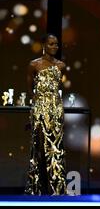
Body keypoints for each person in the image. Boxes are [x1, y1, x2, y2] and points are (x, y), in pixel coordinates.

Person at [26, 34, 67, 195]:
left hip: (56, 108)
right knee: (38, 146)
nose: (55, 47)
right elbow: (30, 87)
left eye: (56, 44)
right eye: (51, 44)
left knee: (56, 147)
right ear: (43, 45)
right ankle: (36, 187)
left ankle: (57, 188)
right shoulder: (34, 65)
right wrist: (37, 103)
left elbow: (57, 87)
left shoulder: (61, 65)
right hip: (39, 108)